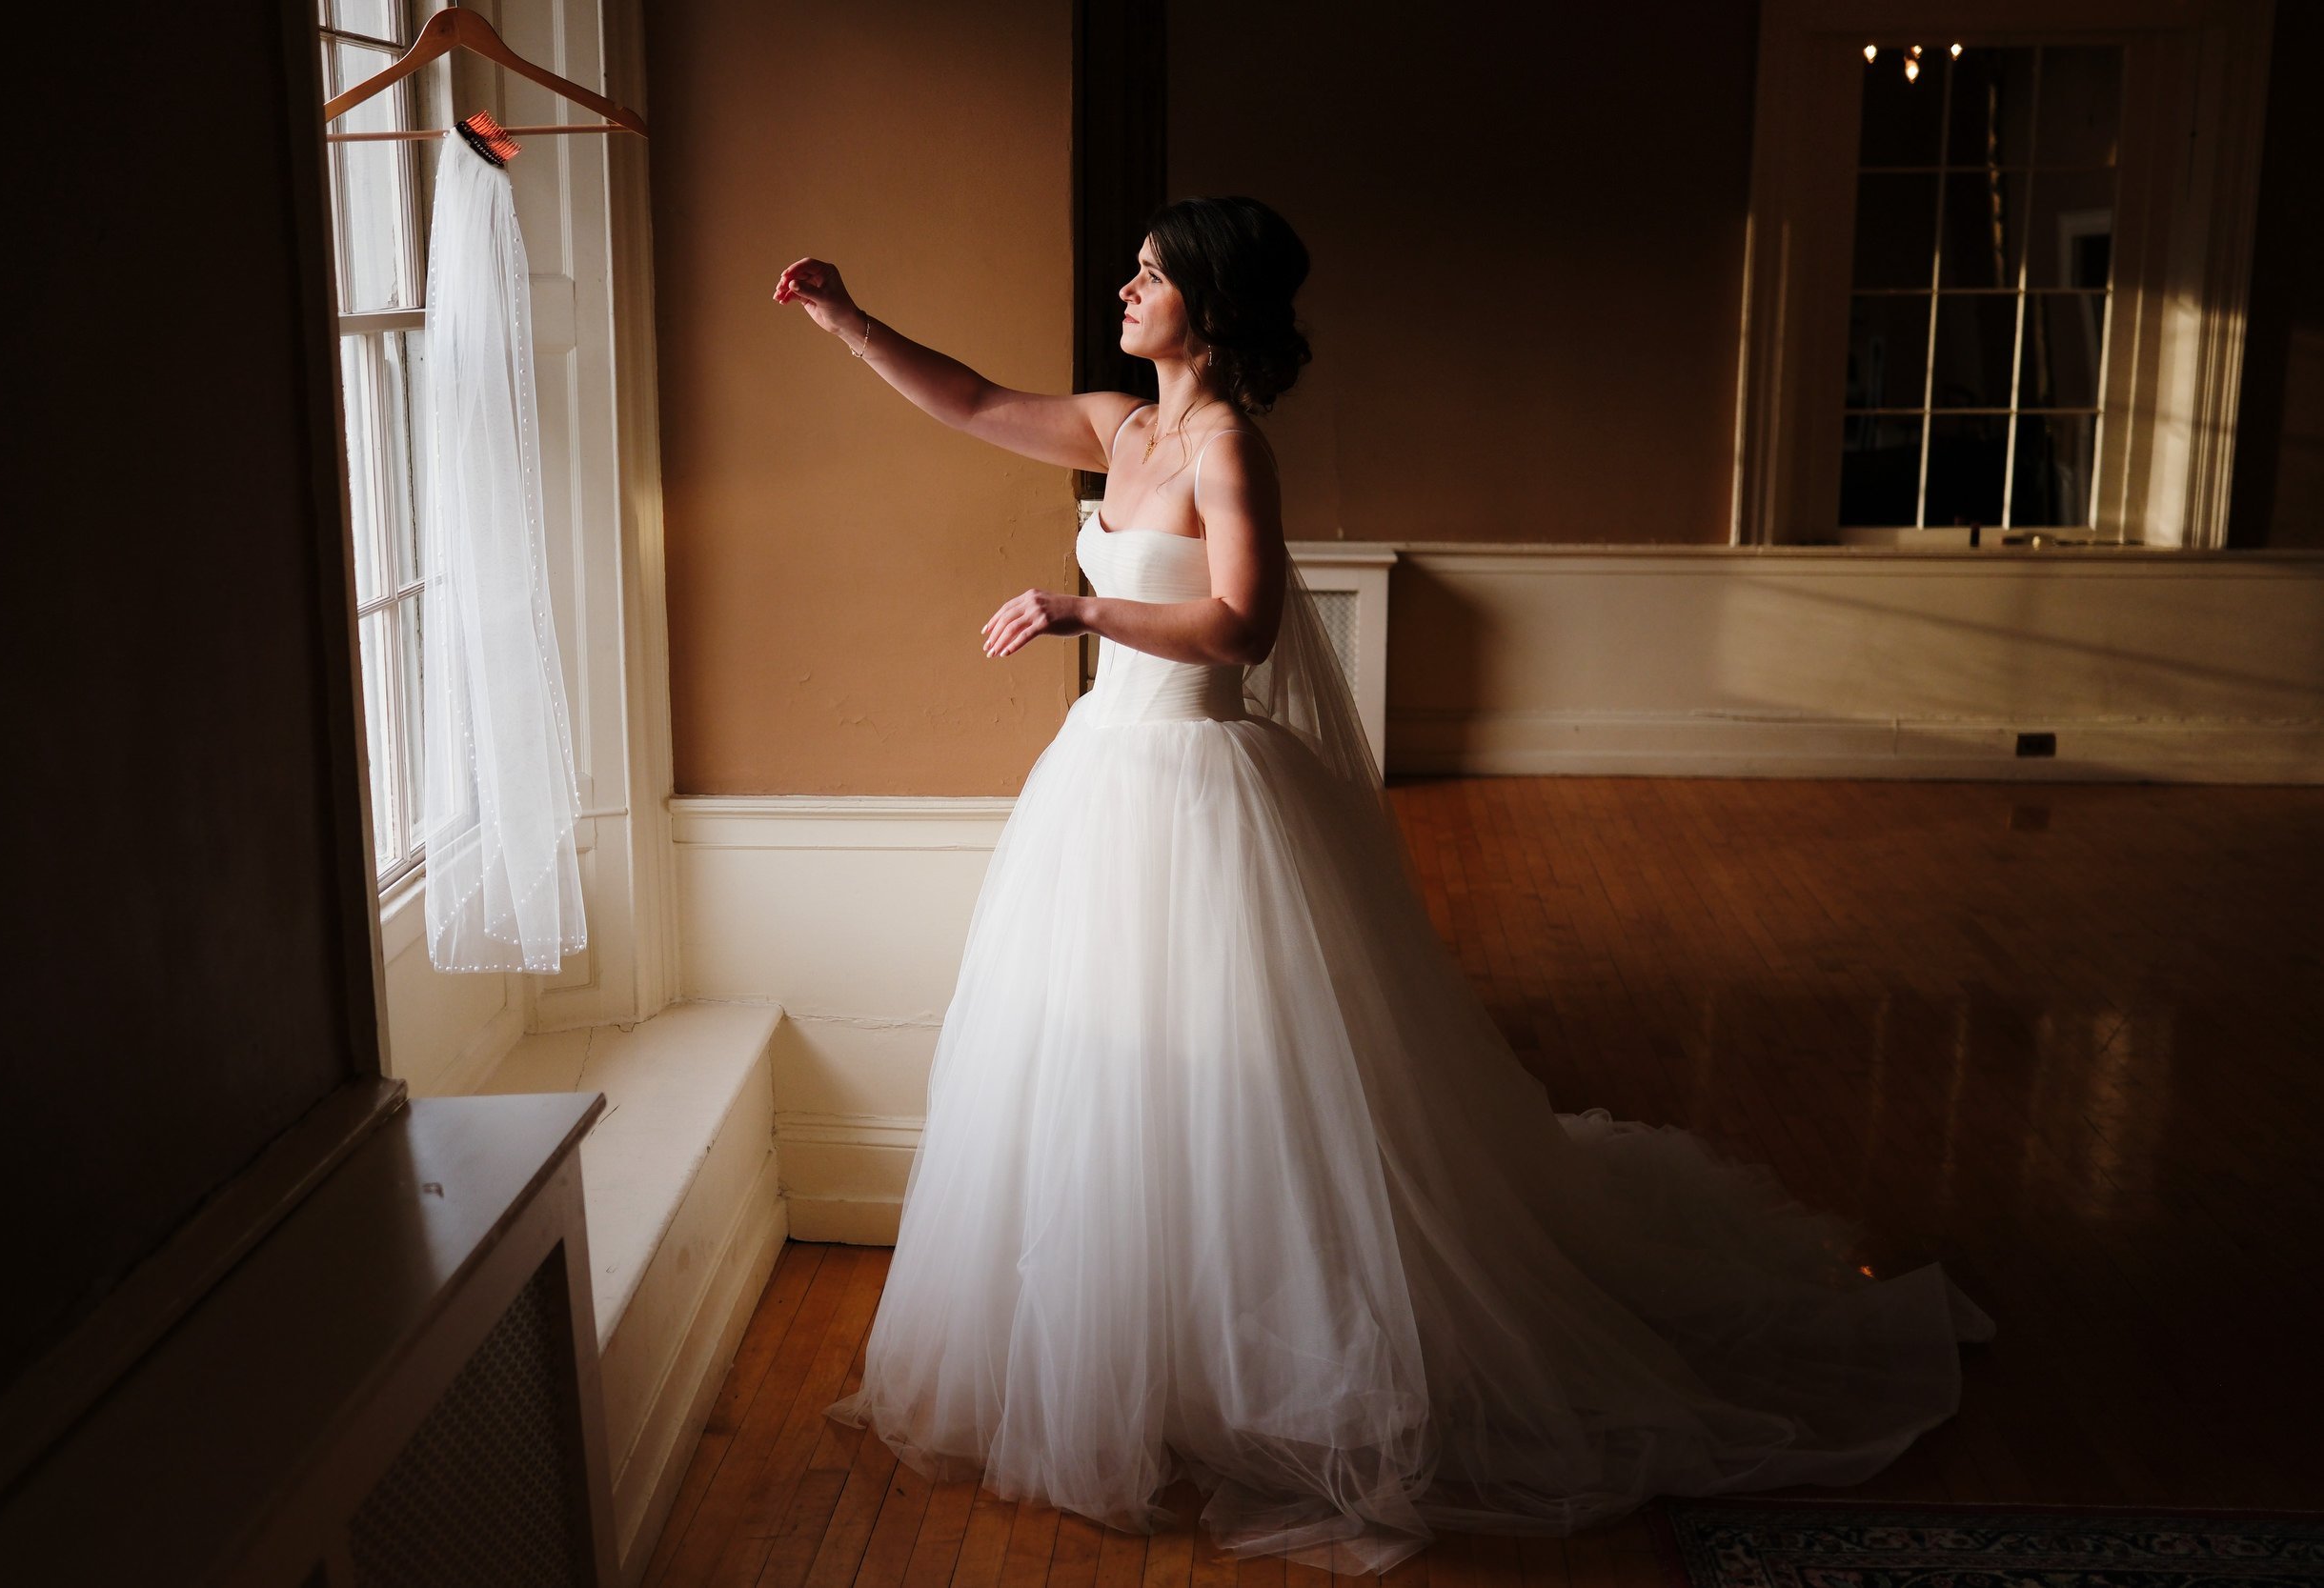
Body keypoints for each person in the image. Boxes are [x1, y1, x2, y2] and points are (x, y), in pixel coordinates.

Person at [773, 196, 1993, 1576]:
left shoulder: (1229, 444)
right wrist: (845, 320)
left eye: (1152, 276)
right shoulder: (1124, 426)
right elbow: (980, 401)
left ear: (1211, 308)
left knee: (1248, 1086)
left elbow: (1248, 620)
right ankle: (1149, 1344)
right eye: (1133, 271)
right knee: (1106, 1077)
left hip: (1196, 783)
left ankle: (1271, 1360)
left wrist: (1084, 606)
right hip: (1096, 783)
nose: (1125, 289)